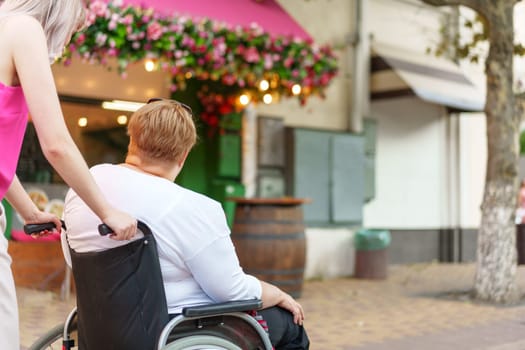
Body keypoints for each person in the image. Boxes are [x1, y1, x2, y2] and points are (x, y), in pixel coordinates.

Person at [62, 98, 310, 349]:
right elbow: (230, 291)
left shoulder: (87, 184)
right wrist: (277, 293)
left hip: (101, 325)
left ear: (132, 139)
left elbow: (74, 256)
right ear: (183, 155)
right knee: (289, 324)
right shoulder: (193, 207)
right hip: (172, 328)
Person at [0, 1, 137, 348]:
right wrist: (107, 211)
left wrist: (28, 210)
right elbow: (57, 144)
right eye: (85, 7)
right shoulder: (24, 29)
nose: (85, 19)